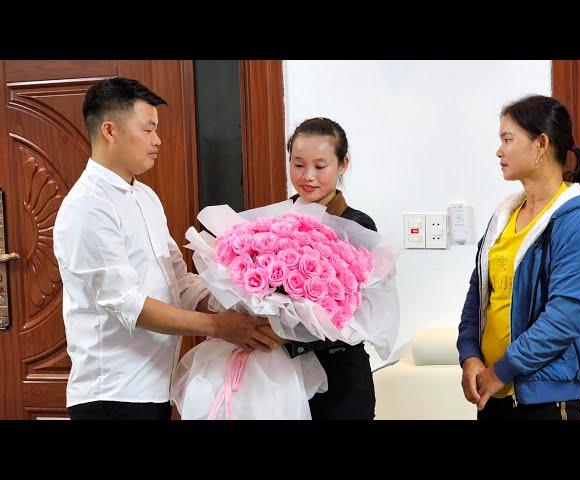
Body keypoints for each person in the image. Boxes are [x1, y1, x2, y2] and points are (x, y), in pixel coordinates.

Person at [53, 77, 278, 420]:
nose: (157, 140)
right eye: (148, 129)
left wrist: (241, 299)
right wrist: (219, 327)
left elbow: (177, 280)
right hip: (114, 395)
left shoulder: (145, 197)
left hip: (157, 387)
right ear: (109, 131)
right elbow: (130, 306)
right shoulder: (88, 207)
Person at [457, 94, 580, 420]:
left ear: (541, 143)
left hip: (545, 404)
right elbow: (479, 295)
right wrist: (470, 356)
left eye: (508, 139)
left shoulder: (578, 220)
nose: (499, 150)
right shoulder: (504, 217)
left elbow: (565, 317)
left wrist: (503, 370)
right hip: (492, 398)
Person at [282, 117, 377, 420]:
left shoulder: (358, 226)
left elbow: (358, 313)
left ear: (343, 164)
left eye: (320, 167)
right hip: (286, 376)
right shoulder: (274, 224)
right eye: (298, 165)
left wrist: (285, 333)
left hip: (340, 379)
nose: (307, 176)